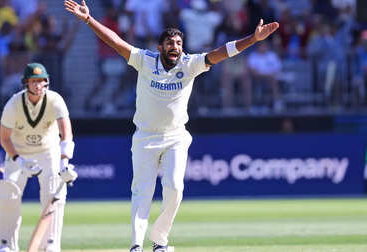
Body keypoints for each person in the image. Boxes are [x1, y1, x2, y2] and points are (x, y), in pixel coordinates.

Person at [64, 1, 279, 251]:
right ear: (160, 47)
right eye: (169, 43)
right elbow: (116, 42)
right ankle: (136, 245)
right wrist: (90, 20)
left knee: (175, 189)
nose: (174, 47)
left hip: (176, 136)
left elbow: (222, 52)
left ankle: (160, 241)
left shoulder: (190, 64)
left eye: (178, 43)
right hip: (145, 137)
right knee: (142, 192)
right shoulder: (145, 60)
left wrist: (252, 39)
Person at [0, 62, 78, 252]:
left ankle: (50, 244)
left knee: (53, 193)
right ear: (26, 83)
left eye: (41, 81)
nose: (38, 85)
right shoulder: (13, 104)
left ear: (46, 82)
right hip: (19, 151)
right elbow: (4, 139)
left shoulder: (55, 100)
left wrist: (65, 162)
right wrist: (19, 160)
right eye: (33, 81)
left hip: (48, 151)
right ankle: (7, 245)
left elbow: (66, 134)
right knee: (8, 192)